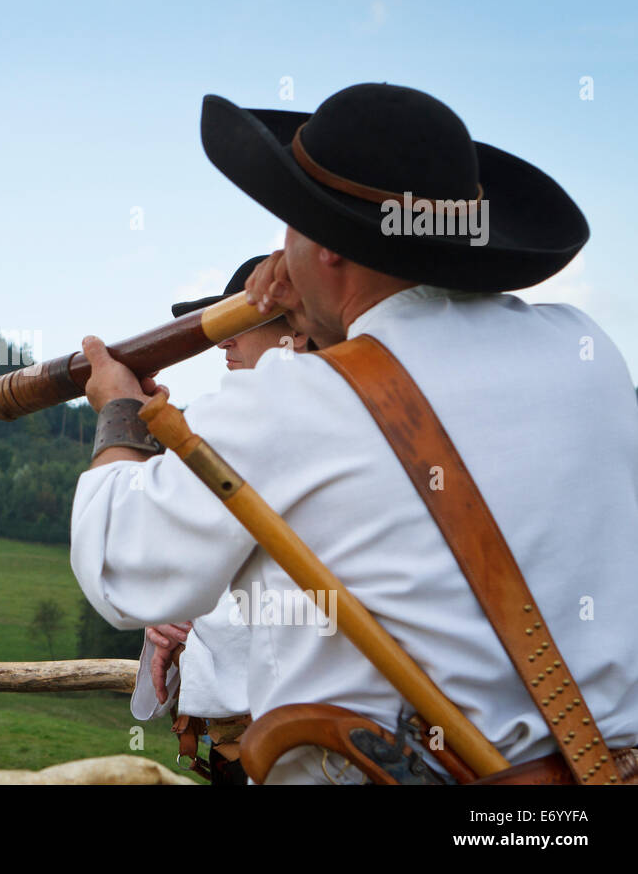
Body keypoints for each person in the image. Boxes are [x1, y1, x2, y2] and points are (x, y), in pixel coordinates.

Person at [71, 83, 638, 783]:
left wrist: (119, 413)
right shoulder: (589, 353)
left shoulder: (294, 398)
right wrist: (318, 310)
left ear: (328, 247)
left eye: (290, 225)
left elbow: (121, 570)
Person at [133, 258, 311, 778]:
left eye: (240, 326)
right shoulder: (244, 433)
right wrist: (168, 617)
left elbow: (304, 609)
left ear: (295, 333)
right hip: (239, 753)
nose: (222, 344)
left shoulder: (322, 436)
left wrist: (191, 620)